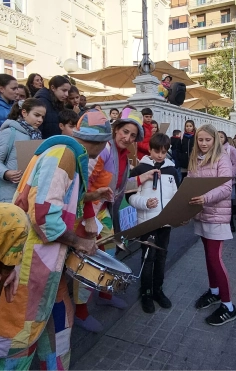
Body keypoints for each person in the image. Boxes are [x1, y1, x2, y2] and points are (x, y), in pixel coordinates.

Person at [0, 109, 111, 371]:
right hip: (31, 264)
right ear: (102, 143)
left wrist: (91, 196)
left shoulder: (66, 154)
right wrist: (79, 242)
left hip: (47, 265)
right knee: (18, 338)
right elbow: (44, 215)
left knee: (57, 326)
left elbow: (56, 198)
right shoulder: (63, 156)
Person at [73, 108, 147, 332]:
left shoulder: (123, 154)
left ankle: (104, 294)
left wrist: (143, 177)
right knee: (89, 262)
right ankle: (81, 312)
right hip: (89, 213)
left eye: (133, 135)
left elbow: (117, 187)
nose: (128, 138)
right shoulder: (104, 150)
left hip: (103, 212)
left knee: (110, 255)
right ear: (115, 129)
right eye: (125, 132)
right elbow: (83, 186)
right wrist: (88, 218)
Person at [188, 124, 235, 326]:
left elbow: (226, 187)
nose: (204, 143)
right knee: (208, 257)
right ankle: (214, 291)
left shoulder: (222, 157)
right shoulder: (195, 159)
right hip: (202, 214)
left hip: (216, 215)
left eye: (208, 140)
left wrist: (204, 198)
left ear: (215, 140)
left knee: (215, 259)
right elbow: (190, 184)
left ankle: (228, 306)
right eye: (201, 140)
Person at [129, 133, 179, 313]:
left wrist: (177, 213)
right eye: (156, 151)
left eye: (164, 152)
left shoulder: (172, 170)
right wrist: (145, 203)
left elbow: (175, 195)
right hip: (148, 221)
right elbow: (130, 197)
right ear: (149, 149)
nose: (160, 155)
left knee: (161, 257)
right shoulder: (140, 169)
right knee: (148, 258)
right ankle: (146, 293)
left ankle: (158, 290)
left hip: (165, 223)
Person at [0, 98, 45, 203]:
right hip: (9, 192)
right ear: (24, 113)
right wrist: (6, 173)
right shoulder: (9, 132)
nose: (40, 120)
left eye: (42, 117)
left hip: (30, 192)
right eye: (36, 115)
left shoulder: (37, 134)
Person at [218, 130, 236, 233]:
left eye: (221, 137)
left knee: (228, 204)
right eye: (217, 137)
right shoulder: (211, 150)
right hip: (215, 182)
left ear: (225, 138)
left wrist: (229, 175)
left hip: (228, 182)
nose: (219, 139)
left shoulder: (230, 149)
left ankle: (230, 224)